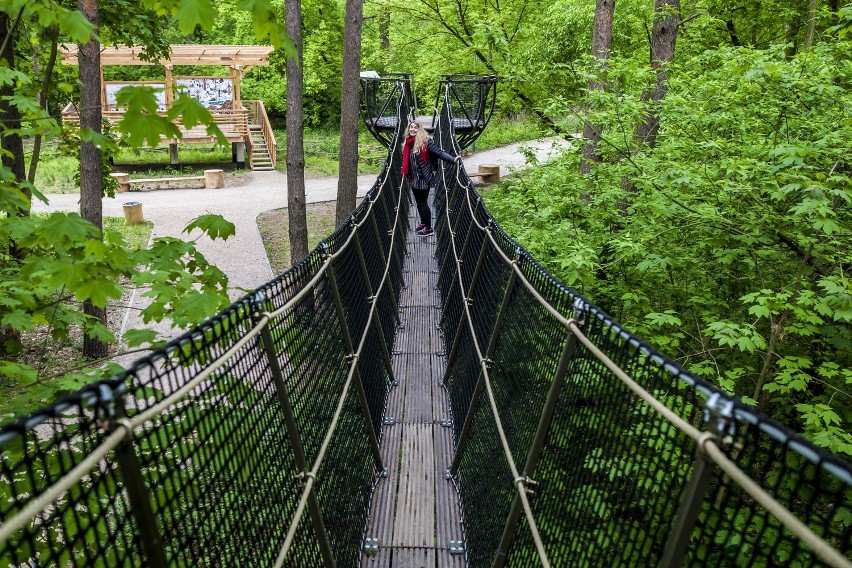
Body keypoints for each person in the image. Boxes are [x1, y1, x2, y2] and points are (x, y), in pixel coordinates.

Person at [401, 120, 461, 237]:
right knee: (418, 203)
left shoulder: (426, 142)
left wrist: (453, 160)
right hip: (413, 178)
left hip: (424, 178)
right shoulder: (408, 143)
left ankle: (429, 229)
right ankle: (423, 223)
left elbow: (439, 153)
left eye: (415, 127)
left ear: (420, 129)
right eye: (411, 127)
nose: (412, 129)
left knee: (423, 203)